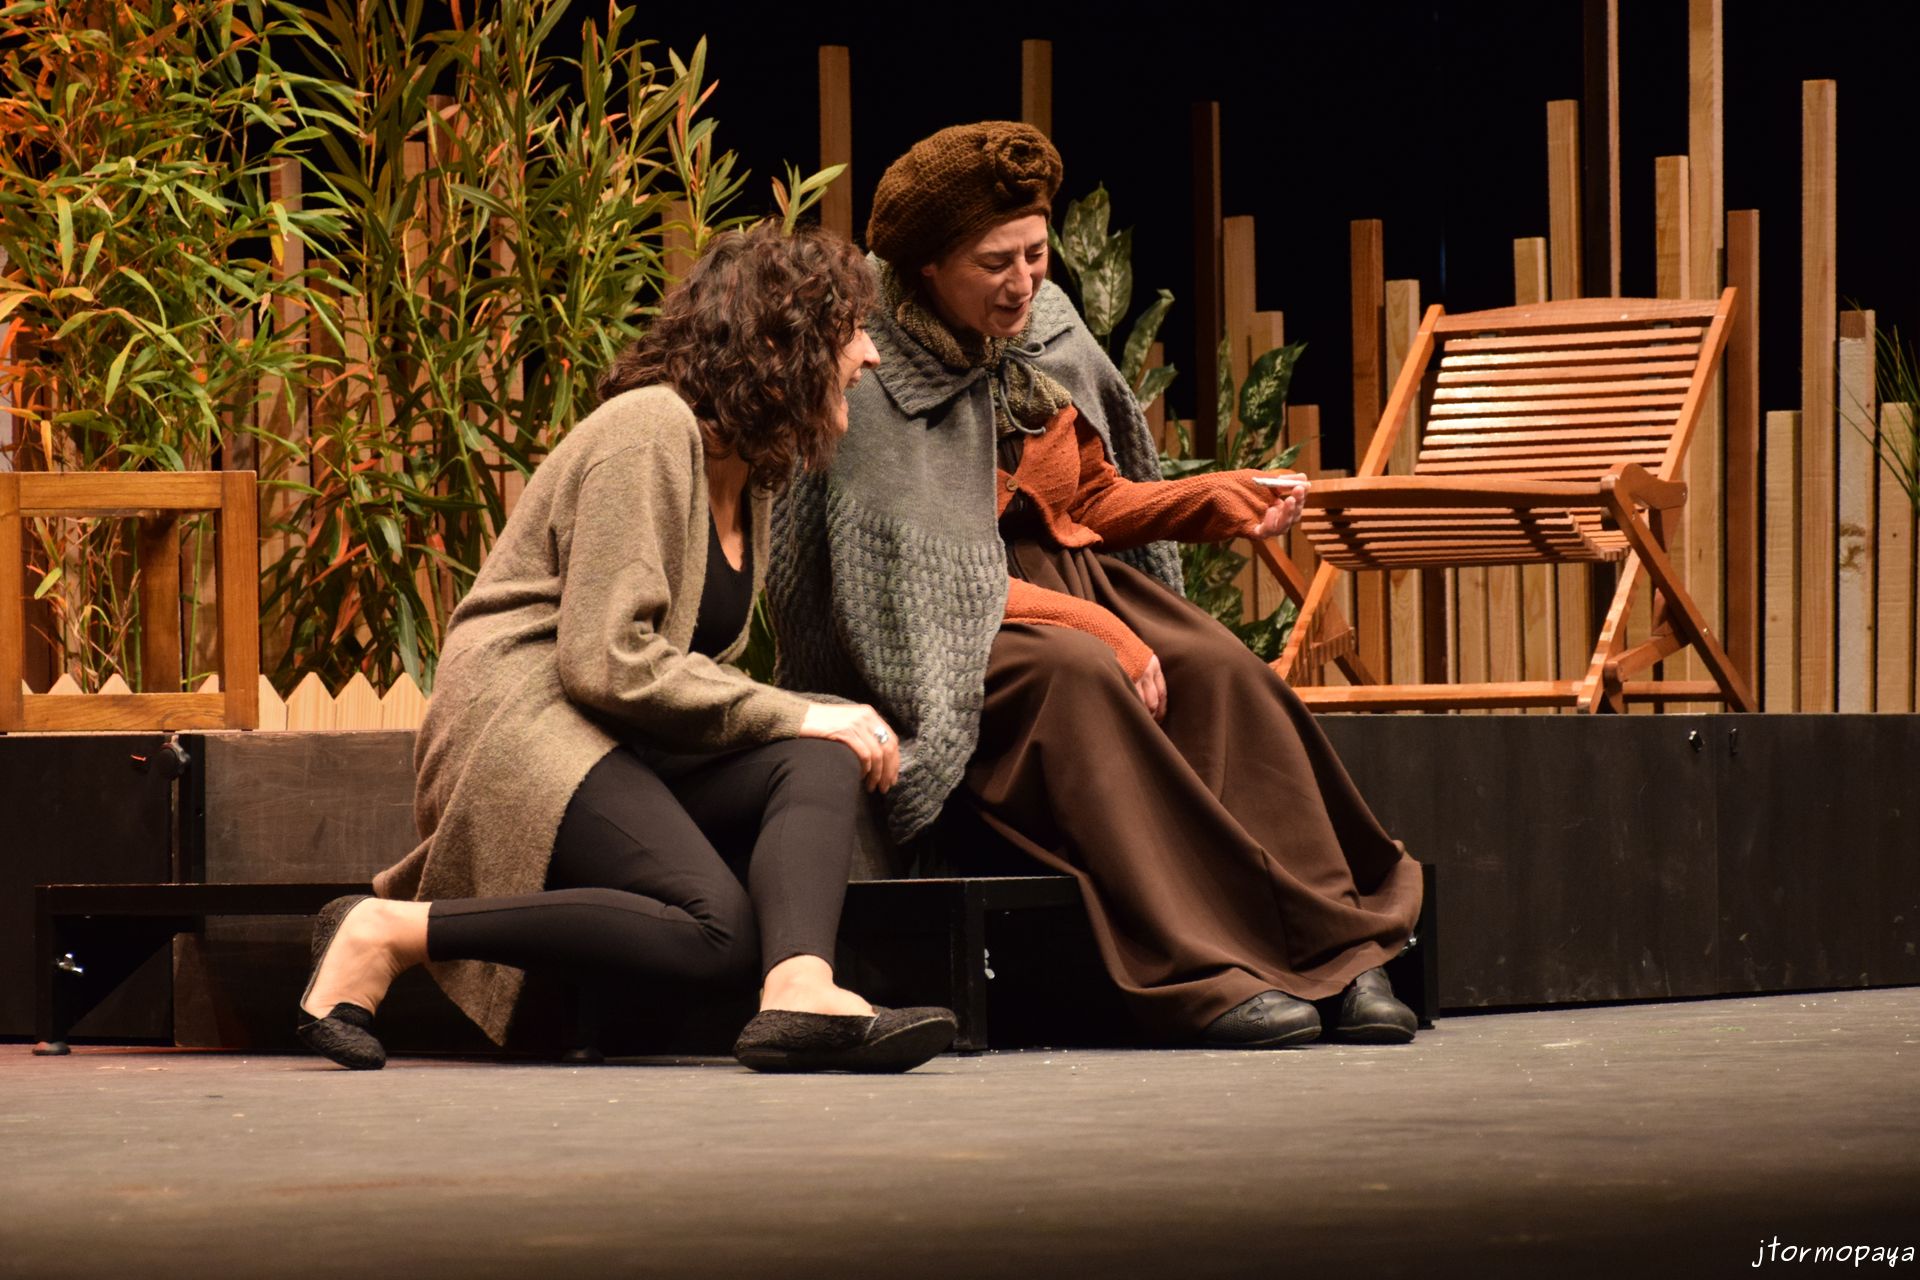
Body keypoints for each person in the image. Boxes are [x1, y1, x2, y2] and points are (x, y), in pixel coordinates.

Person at [770, 122, 1424, 1049]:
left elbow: (1088, 498)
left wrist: (1208, 500)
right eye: (995, 263)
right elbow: (923, 590)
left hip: (1067, 585)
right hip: (950, 635)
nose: (1023, 282)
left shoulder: (1044, 327)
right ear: (925, 265)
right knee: (1077, 678)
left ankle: (1341, 949)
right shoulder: (875, 373)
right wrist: (1101, 631)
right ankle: (1200, 966)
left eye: (1036, 254)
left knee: (1220, 669)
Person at [294, 222, 957, 1073]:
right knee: (719, 928)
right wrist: (796, 710)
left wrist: (808, 721)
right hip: (526, 723)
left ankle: (799, 990)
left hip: (614, 734)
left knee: (816, 755)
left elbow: (682, 667)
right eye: (851, 331)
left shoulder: (753, 471)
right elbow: (607, 660)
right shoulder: (649, 428)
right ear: (782, 342)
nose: (870, 353)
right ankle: (385, 930)